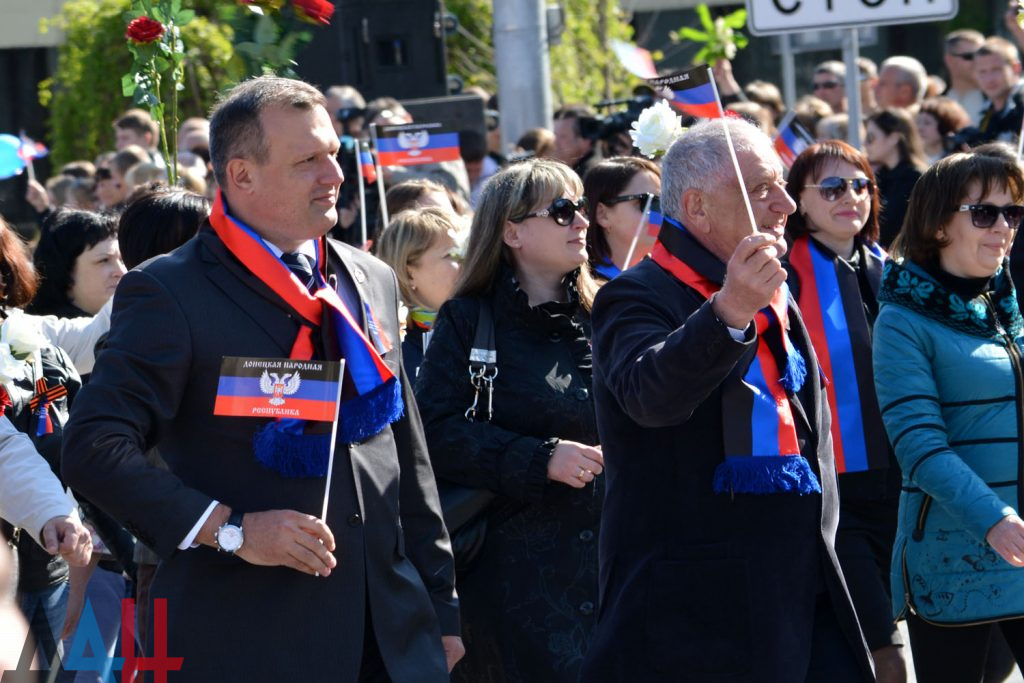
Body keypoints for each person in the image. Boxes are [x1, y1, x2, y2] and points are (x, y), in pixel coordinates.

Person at [61, 75, 461, 682]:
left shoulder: (368, 276)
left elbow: (406, 451)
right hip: (251, 639)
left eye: (334, 154)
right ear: (242, 175)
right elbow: (94, 447)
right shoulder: (170, 291)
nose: (334, 175)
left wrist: (442, 604)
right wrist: (232, 531)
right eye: (307, 161)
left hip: (393, 635)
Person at [581, 117, 873, 682]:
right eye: (761, 188)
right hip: (696, 615)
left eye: (782, 184)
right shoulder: (635, 294)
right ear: (697, 207)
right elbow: (649, 397)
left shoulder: (771, 287)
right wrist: (728, 311)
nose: (787, 204)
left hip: (801, 589)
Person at [415, 158, 602, 683]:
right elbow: (434, 432)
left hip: (614, 573)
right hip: (513, 586)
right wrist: (539, 459)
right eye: (562, 210)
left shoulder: (607, 312)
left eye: (581, 207)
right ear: (512, 232)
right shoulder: (467, 319)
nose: (581, 221)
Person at [872, 150, 1024, 681]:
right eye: (984, 213)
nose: (1004, 227)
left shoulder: (1002, 307)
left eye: (1013, 213)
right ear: (938, 225)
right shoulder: (901, 320)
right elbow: (918, 445)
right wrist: (994, 519)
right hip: (953, 558)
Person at [784, 141, 907, 683]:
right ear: (799, 201)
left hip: (906, 486)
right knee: (884, 655)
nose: (850, 197)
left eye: (861, 186)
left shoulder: (893, 270)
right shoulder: (782, 275)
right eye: (832, 187)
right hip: (836, 496)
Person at [374, 207, 463, 378]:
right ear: (409, 274)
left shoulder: (487, 324)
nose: (467, 263)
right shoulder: (385, 350)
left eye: (467, 252)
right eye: (452, 255)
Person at [29, 209, 125, 319]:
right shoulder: (39, 329)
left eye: (122, 260)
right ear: (65, 273)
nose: (122, 272)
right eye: (104, 260)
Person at [582, 156, 661, 280]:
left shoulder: (667, 279)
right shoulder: (582, 285)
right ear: (602, 214)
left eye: (663, 203)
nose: (659, 214)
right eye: (647, 202)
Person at [865, 108, 927, 247]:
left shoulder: (916, 178)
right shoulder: (879, 177)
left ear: (893, 138)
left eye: (870, 138)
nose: (865, 144)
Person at [973, 37, 1024, 146]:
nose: (989, 79)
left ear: (1016, 68)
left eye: (996, 70)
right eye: (982, 72)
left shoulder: (1021, 102)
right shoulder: (986, 113)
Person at [942, 29, 985, 126]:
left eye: (981, 55)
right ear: (949, 60)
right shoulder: (936, 104)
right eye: (969, 56)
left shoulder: (997, 102)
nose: (978, 61)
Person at [916, 97, 970, 163]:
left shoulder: (956, 159)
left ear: (945, 126)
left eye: (927, 123)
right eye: (918, 122)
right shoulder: (910, 157)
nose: (920, 128)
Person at [553, 105, 602, 178]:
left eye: (562, 136)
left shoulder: (592, 177)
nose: (554, 142)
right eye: (554, 135)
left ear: (586, 140)